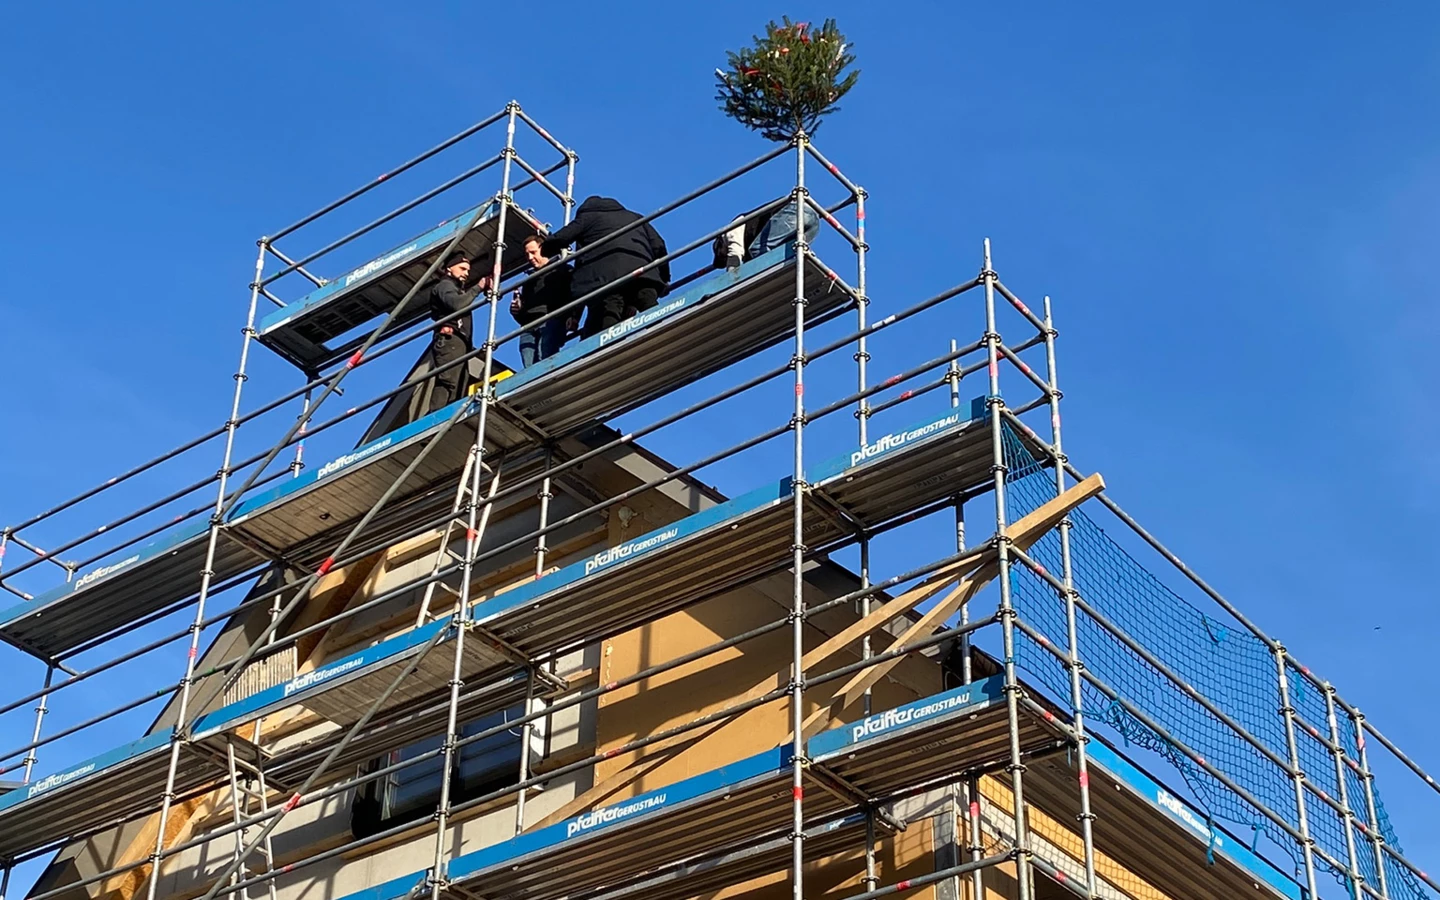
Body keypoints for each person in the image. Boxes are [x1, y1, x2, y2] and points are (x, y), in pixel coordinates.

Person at [541, 197, 670, 338]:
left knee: (609, 318)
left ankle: (610, 350)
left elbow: (561, 240)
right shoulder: (635, 217)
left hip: (607, 280)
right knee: (649, 306)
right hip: (642, 274)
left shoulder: (587, 217)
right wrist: (663, 278)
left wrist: (545, 248)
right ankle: (666, 335)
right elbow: (659, 245)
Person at [421, 251, 488, 415]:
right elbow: (457, 305)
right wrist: (478, 287)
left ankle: (446, 417)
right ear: (449, 268)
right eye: (462, 268)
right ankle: (435, 418)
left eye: (467, 270)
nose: (466, 273)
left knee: (458, 383)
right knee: (449, 381)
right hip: (451, 340)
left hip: (459, 341)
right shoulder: (445, 286)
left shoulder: (453, 288)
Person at [511, 236, 571, 367]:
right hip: (528, 326)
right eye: (527, 255)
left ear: (544, 250)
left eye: (533, 252)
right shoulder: (529, 281)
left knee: (545, 359)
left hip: (551, 319)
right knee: (529, 366)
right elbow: (523, 313)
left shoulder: (562, 270)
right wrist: (517, 310)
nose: (530, 258)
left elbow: (573, 294)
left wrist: (573, 316)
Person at [714, 197, 821, 271]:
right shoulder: (751, 239)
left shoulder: (729, 232)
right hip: (811, 218)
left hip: (794, 212)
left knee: (758, 252)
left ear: (720, 244)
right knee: (794, 251)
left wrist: (731, 280)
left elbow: (734, 254)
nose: (725, 256)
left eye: (722, 255)